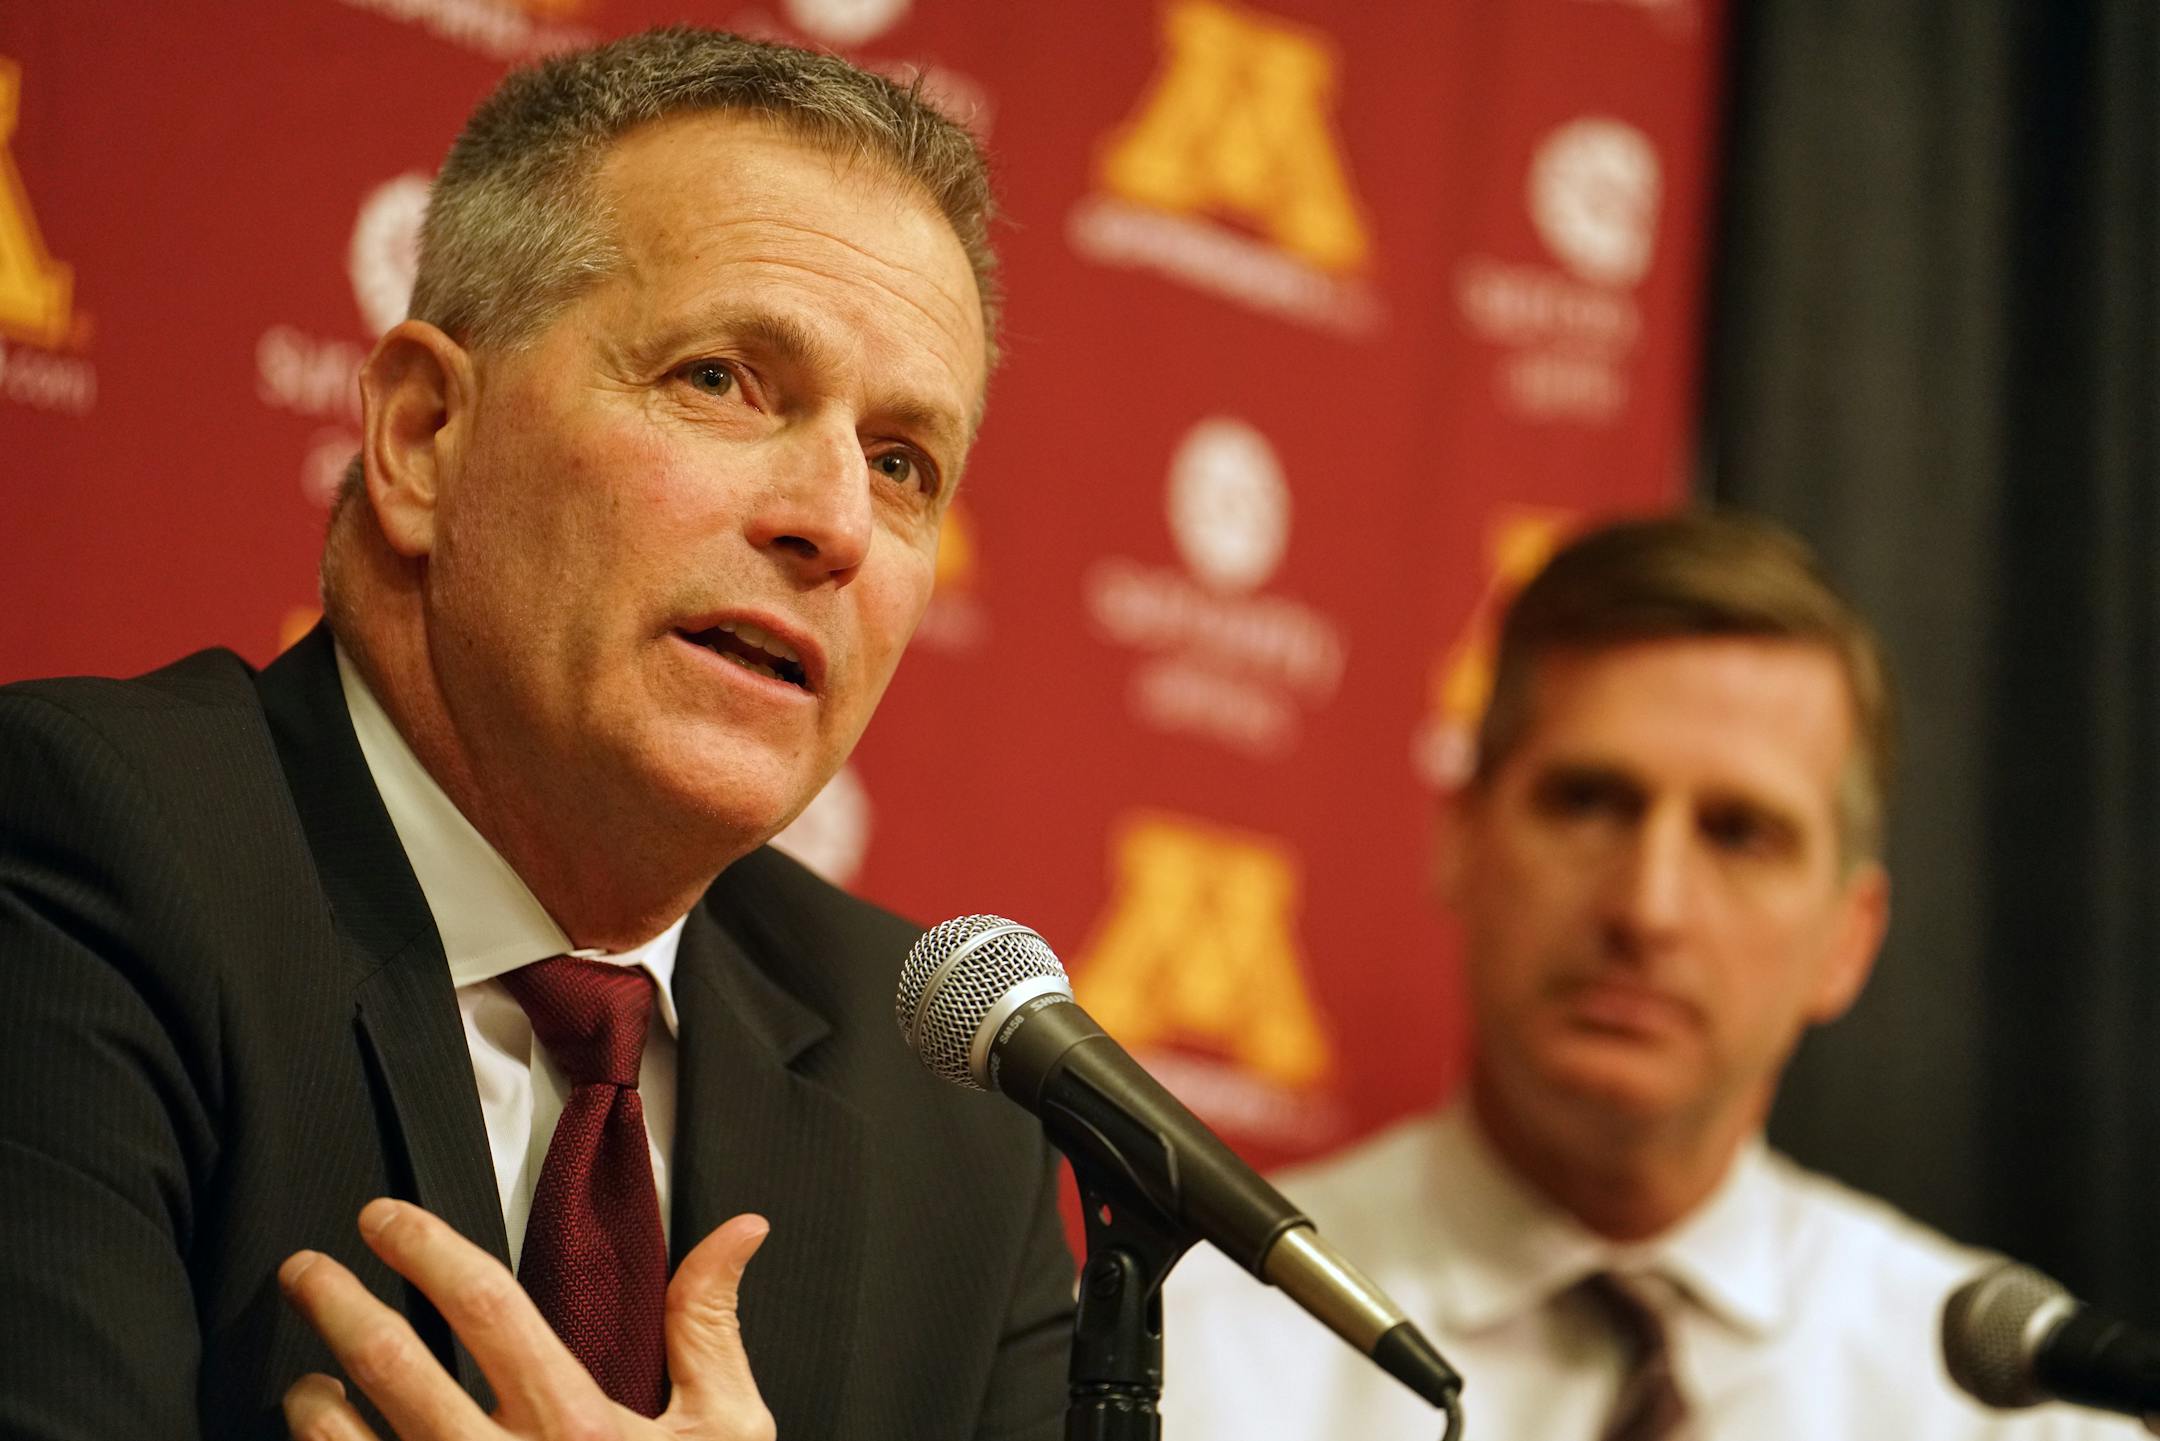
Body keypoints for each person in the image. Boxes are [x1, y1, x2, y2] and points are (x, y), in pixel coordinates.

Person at [0, 28, 1075, 1441]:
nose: (833, 521)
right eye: (720, 380)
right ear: (424, 436)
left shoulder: (953, 1114)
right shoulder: (80, 859)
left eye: (901, 461)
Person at [1160, 512, 2143, 1440]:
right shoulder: (1192, 1349)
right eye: (1589, 802)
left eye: (1740, 833)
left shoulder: (2010, 1408)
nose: (1648, 907)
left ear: (1850, 938)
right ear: (1459, 842)